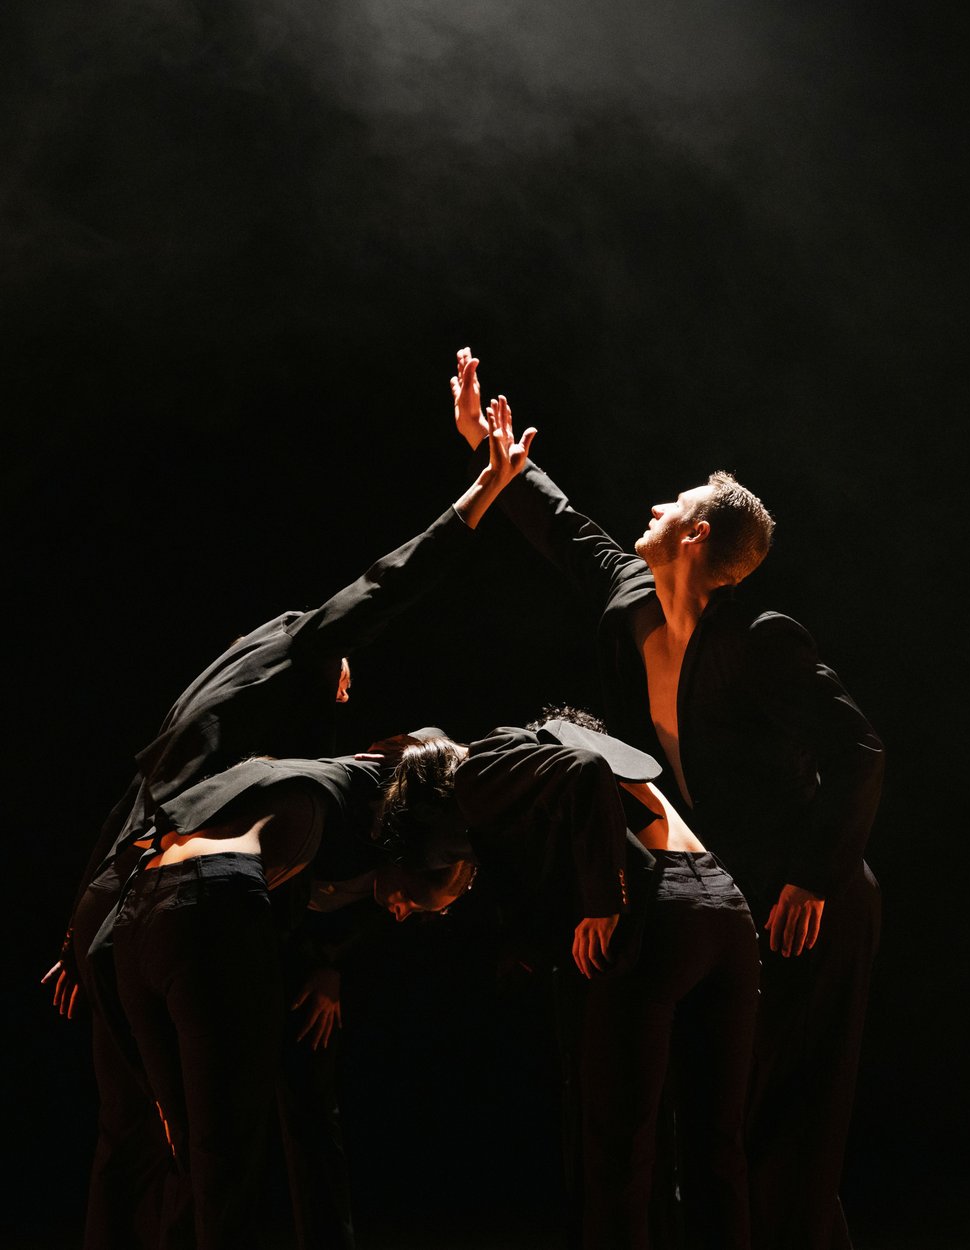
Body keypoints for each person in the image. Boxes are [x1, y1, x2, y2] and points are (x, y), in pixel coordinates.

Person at [43, 402, 536, 1250]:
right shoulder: (301, 657)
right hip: (176, 902)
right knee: (201, 1150)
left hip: (127, 893)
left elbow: (153, 789)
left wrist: (82, 926)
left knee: (136, 1145)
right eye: (341, 670)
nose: (349, 681)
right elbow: (387, 585)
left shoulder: (230, 711)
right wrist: (482, 494)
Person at [450, 349, 884, 1250]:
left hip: (815, 899)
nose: (650, 509)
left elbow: (859, 751)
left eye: (671, 505)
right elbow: (568, 532)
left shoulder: (760, 640)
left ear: (695, 539)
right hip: (733, 893)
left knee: (787, 1111)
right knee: (723, 1113)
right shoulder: (629, 603)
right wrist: (503, 464)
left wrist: (812, 877)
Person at [374, 712, 760, 1250]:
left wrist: (604, 904)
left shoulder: (476, 775)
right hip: (726, 909)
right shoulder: (552, 753)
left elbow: (584, 769)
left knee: (617, 1149)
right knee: (717, 1148)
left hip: (661, 920)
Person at [108, 749, 475, 1250]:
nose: (404, 913)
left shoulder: (367, 898)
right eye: (410, 898)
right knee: (203, 1141)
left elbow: (337, 933)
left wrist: (331, 971)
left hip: (255, 952)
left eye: (422, 913)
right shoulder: (343, 829)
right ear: (403, 860)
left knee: (285, 1119)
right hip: (225, 932)